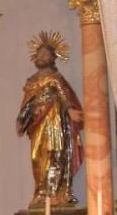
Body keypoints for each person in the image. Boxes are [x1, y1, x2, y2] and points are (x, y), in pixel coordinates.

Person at [16, 31, 83, 205]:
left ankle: (53, 192)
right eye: (39, 54)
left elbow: (64, 94)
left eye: (45, 54)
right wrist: (23, 118)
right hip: (37, 124)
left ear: (53, 58)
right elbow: (27, 103)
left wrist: (70, 110)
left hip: (54, 121)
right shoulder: (31, 81)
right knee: (37, 156)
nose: (41, 57)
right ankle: (40, 190)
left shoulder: (55, 78)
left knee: (54, 153)